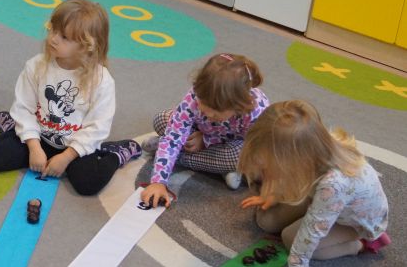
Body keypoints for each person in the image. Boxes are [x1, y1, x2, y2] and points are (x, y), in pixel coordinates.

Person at [0, 0, 140, 196]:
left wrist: (66, 157)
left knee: (88, 183)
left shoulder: (102, 81)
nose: (53, 39)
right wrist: (34, 146)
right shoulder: (36, 66)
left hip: (74, 146)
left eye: (65, 37)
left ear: (86, 46)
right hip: (40, 135)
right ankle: (14, 126)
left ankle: (115, 154)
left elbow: (97, 127)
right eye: (53, 30)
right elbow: (24, 107)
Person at [238, 100, 390, 265]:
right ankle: (315, 211)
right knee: (267, 221)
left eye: (269, 168)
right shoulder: (308, 149)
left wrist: (296, 263)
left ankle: (359, 245)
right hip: (322, 199)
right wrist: (275, 196)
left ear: (292, 161)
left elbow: (311, 234)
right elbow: (296, 180)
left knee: (290, 238)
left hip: (354, 223)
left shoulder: (333, 185)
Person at [141, 53, 269, 208]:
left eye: (216, 111)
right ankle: (218, 168)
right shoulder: (196, 95)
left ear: (238, 106)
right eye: (203, 104)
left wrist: (207, 140)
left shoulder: (257, 111)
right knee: (161, 120)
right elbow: (174, 135)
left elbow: (261, 151)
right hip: (198, 132)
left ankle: (175, 156)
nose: (208, 113)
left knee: (241, 157)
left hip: (230, 145)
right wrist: (158, 182)